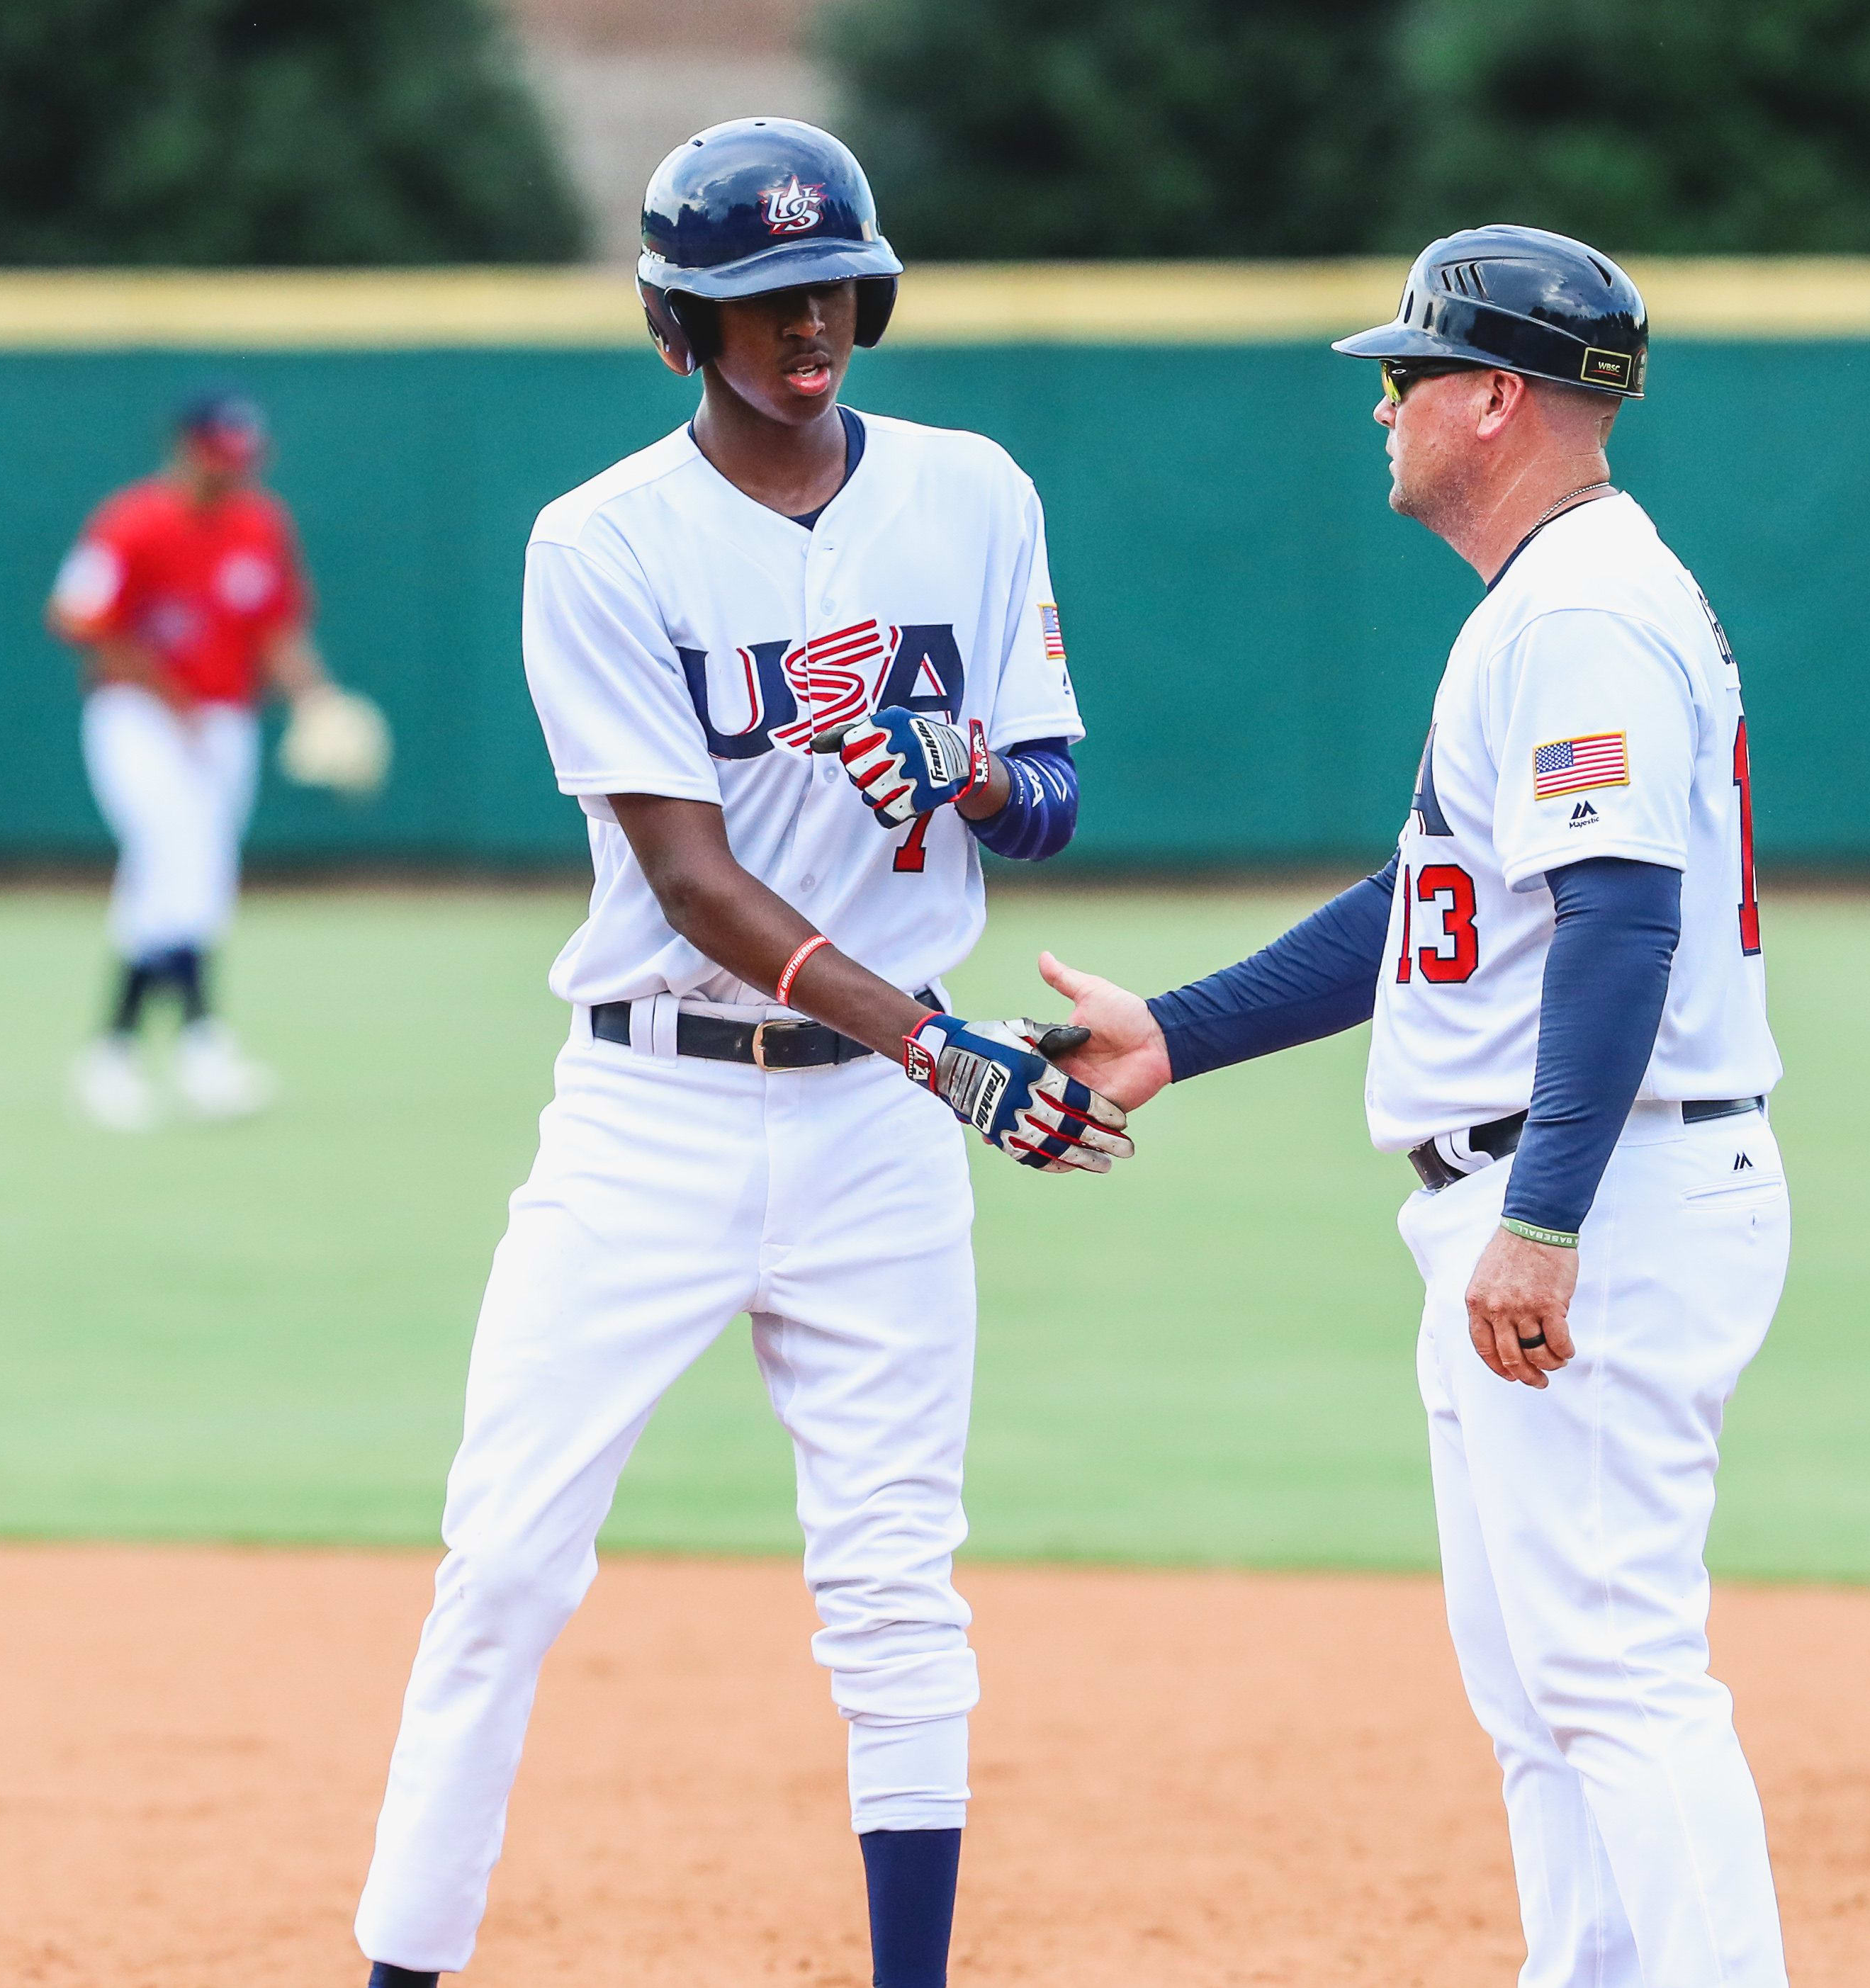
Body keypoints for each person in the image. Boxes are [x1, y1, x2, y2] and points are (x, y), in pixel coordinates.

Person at [349, 119, 1127, 1988]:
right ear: (673, 322)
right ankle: (397, 1971)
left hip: (872, 1131)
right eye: (758, 300)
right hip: (646, 1108)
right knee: (505, 1569)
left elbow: (1051, 801)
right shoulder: (600, 542)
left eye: (831, 288)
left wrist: (969, 773)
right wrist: (945, 1046)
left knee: (890, 1586)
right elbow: (689, 883)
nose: (806, 325)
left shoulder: (972, 492)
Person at [1035, 227, 1794, 1987]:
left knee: (1607, 1667)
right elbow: (1435, 908)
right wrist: (1178, 1028)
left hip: (1606, 1192)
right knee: (1538, 1687)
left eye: (1404, 372)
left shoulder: (1582, 610)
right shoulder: (1544, 602)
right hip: (1578, 1181)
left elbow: (1617, 920)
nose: (1378, 403)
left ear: (1492, 399)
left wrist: (1541, 1214)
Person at [47, 390, 383, 1129]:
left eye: (241, 462)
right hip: (137, 717)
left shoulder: (259, 524)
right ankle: (200, 1044)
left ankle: (118, 1053)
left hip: (224, 722)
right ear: (185, 450)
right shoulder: (131, 521)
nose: (231, 474)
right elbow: (80, 618)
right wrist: (172, 705)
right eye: (218, 460)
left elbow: (278, 630)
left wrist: (316, 700)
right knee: (179, 863)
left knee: (183, 879)